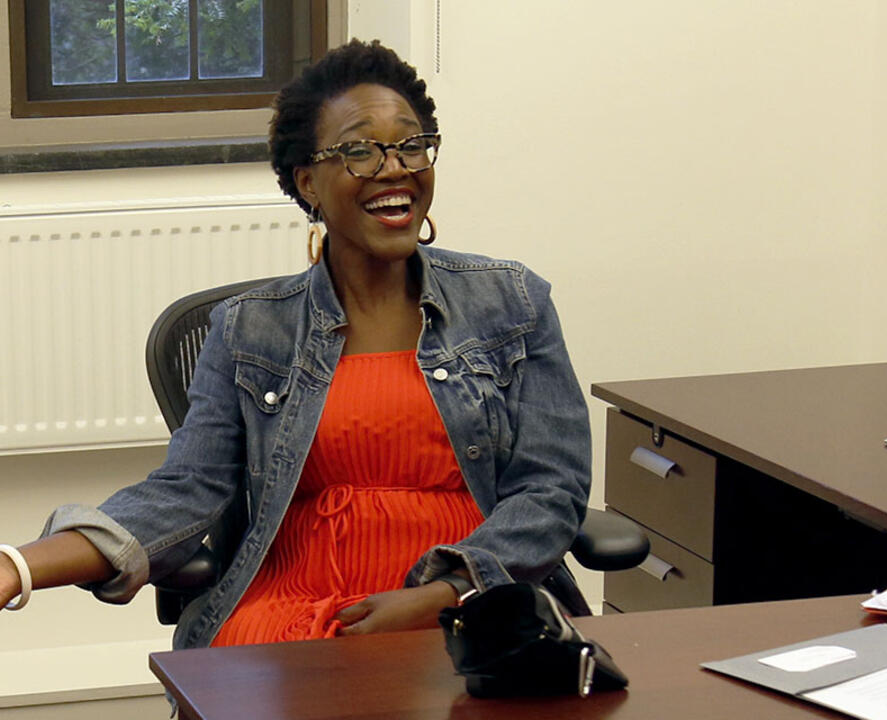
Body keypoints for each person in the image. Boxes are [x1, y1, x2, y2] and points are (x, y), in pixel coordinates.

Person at [0, 39, 591, 649]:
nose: (394, 168)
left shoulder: (513, 303)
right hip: (290, 607)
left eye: (411, 145)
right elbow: (185, 491)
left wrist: (441, 596)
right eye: (360, 151)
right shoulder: (249, 330)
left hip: (472, 603)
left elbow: (551, 490)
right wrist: (16, 567)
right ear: (308, 181)